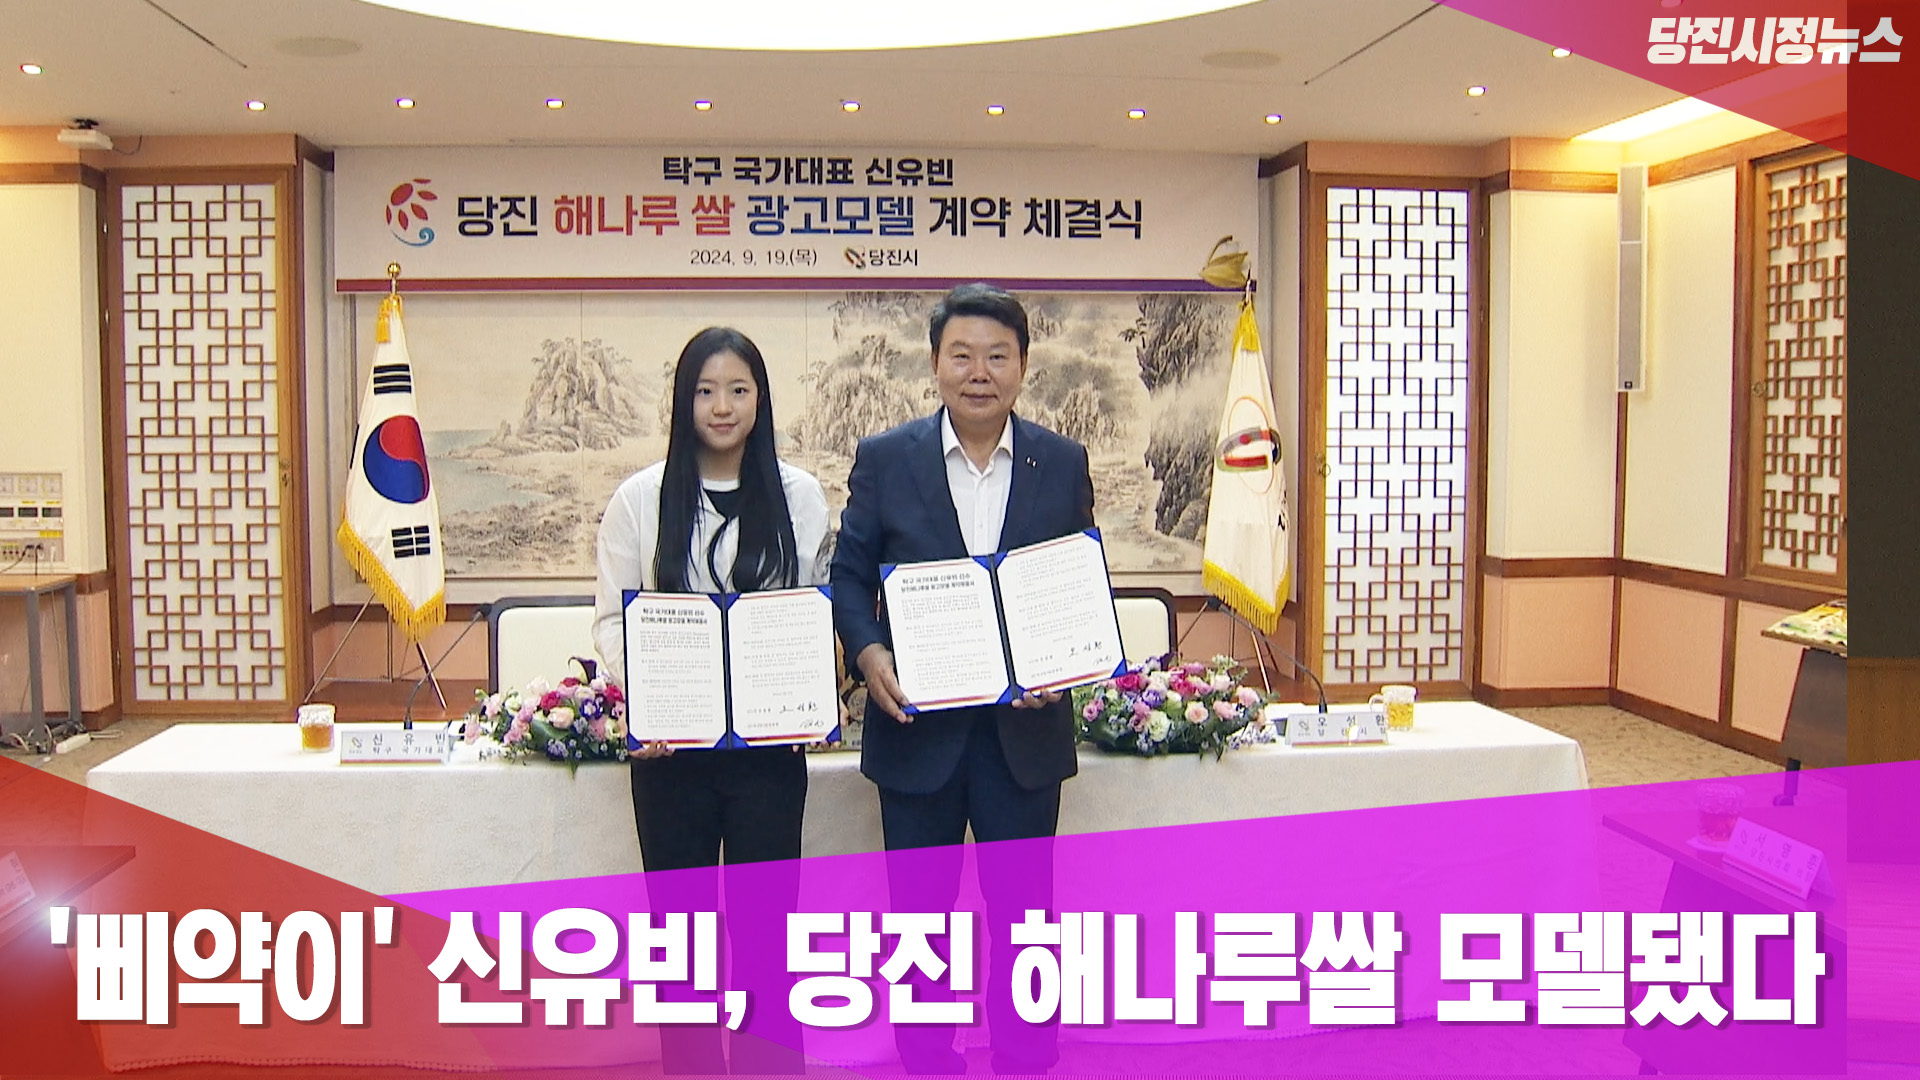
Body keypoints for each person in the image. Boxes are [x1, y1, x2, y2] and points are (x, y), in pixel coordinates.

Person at [831, 282, 1096, 1074]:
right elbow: (849, 578)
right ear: (935, 363)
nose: (980, 374)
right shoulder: (886, 459)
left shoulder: (1062, 462)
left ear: (1023, 366)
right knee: (919, 920)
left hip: (1025, 733)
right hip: (918, 731)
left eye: (998, 357)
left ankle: (1027, 1058)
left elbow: (1077, 579)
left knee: (1026, 920)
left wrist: (1065, 660)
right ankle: (926, 1060)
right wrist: (869, 654)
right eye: (963, 356)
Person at [591, 325, 828, 1075]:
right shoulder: (640, 499)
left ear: (760, 399)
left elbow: (810, 612)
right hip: (671, 757)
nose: (721, 407)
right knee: (683, 945)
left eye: (738, 390)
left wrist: (810, 694)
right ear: (682, 401)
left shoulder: (800, 496)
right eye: (704, 391)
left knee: (767, 940)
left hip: (767, 757)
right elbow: (611, 621)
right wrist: (652, 701)